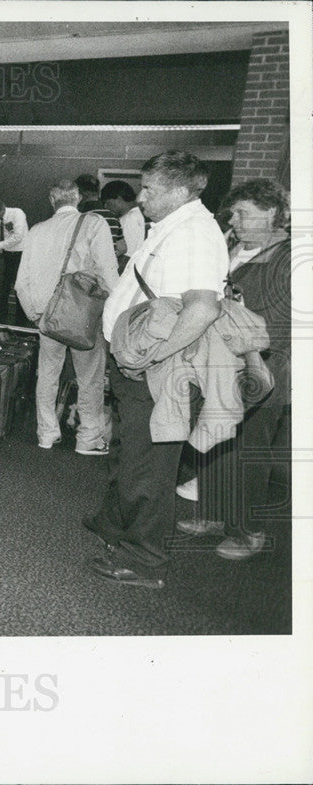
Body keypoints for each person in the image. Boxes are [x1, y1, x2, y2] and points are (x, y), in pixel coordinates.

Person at [84, 151, 227, 589]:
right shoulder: (172, 227)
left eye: (151, 189)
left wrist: (154, 356)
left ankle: (144, 559)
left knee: (149, 464)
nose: (140, 197)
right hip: (139, 363)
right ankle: (115, 522)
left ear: (182, 191)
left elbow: (203, 308)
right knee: (129, 450)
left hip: (157, 370)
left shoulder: (196, 234)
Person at [175, 179, 291, 561]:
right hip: (221, 364)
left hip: (265, 368)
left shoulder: (287, 256)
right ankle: (212, 514)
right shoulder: (231, 247)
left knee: (250, 449)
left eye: (245, 213)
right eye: (234, 213)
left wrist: (242, 328)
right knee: (218, 439)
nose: (236, 220)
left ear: (273, 213)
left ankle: (248, 530)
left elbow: (286, 321)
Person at [15, 180, 118, 455]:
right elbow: (109, 273)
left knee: (47, 375)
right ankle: (88, 439)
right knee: (90, 378)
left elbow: (21, 283)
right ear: (78, 199)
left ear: (52, 201)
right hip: (82, 316)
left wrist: (36, 315)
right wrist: (115, 311)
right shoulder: (94, 224)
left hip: (47, 318)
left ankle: (46, 434)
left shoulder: (36, 231)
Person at [0, 199, 29, 323]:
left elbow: (18, 236)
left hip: (21, 255)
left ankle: (21, 323)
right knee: (3, 289)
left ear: (2, 210)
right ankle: (0, 321)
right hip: (6, 255)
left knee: (20, 289)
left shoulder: (17, 213)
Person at [100, 180, 147, 273]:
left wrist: (115, 279)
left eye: (107, 203)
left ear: (119, 199)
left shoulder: (130, 218)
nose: (106, 207)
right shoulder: (133, 215)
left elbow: (127, 256)